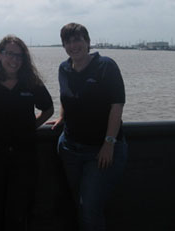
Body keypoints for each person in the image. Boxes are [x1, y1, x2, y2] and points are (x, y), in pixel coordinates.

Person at [0, 35, 54, 231]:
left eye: (19, 55)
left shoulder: (32, 84)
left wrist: (30, 126)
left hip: (23, 156)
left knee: (18, 213)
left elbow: (48, 109)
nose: (14, 59)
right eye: (9, 54)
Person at [52, 23, 127, 231]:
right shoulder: (64, 68)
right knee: (78, 203)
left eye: (77, 39)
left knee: (90, 208)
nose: (73, 45)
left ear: (87, 42)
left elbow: (117, 104)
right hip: (70, 149)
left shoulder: (106, 66)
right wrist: (61, 117)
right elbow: (66, 96)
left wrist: (109, 143)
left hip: (100, 151)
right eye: (68, 41)